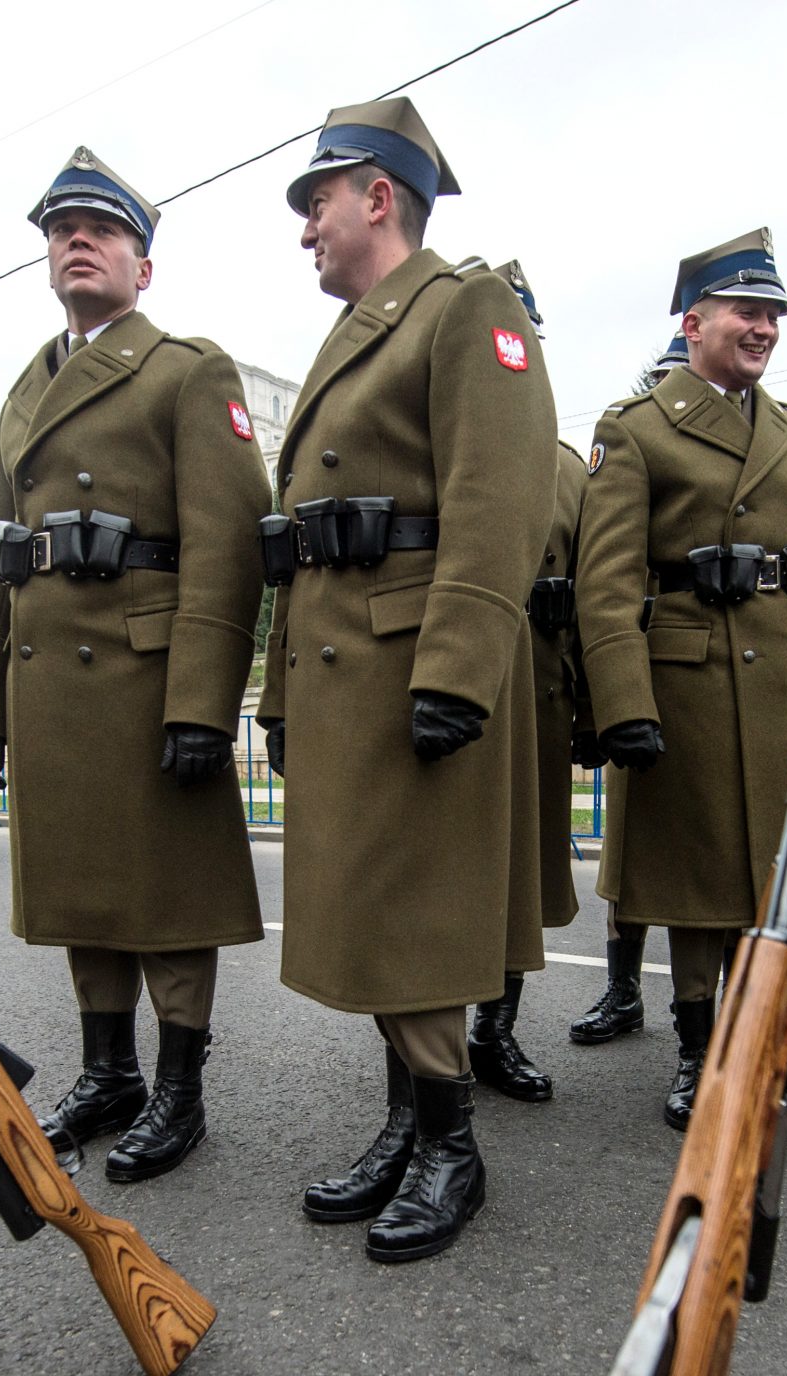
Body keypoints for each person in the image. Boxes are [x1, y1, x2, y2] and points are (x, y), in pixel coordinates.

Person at [257, 98, 556, 1262]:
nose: (304, 229)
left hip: (410, 667)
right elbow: (304, 539)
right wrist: (280, 694)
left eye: (317, 203)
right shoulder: (357, 332)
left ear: (377, 196)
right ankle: (404, 1126)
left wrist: (458, 672)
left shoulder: (465, 308)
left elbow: (500, 497)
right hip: (344, 668)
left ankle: (450, 1147)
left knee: (416, 917)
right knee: (375, 912)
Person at [0, 145, 271, 1183]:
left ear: (144, 265)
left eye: (101, 230)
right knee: (81, 888)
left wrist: (203, 703)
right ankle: (109, 1075)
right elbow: (0, 550)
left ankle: (179, 1090)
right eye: (61, 231)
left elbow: (228, 545)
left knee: (166, 895)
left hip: (143, 676)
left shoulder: (186, 369)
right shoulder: (24, 388)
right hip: (50, 679)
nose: (77, 243)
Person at [572, 230, 787, 1143]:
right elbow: (606, 582)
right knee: (702, 897)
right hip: (691, 686)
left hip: (786, 683)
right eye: (747, 311)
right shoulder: (635, 428)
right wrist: (623, 702)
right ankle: (702, 1061)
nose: (765, 328)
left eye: (774, 315)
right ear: (693, 322)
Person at [464, 257, 580, 1104]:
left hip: (536, 697)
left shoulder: (571, 467)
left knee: (518, 881)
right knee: (442, 874)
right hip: (446, 691)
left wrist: (598, 712)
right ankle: (428, 1051)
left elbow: (599, 598)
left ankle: (494, 1031)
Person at [567, 333, 691, 1050]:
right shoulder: (631, 444)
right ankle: (623, 989)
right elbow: (601, 578)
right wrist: (601, 706)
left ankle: (708, 1007)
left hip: (699, 669)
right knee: (628, 851)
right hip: (634, 673)